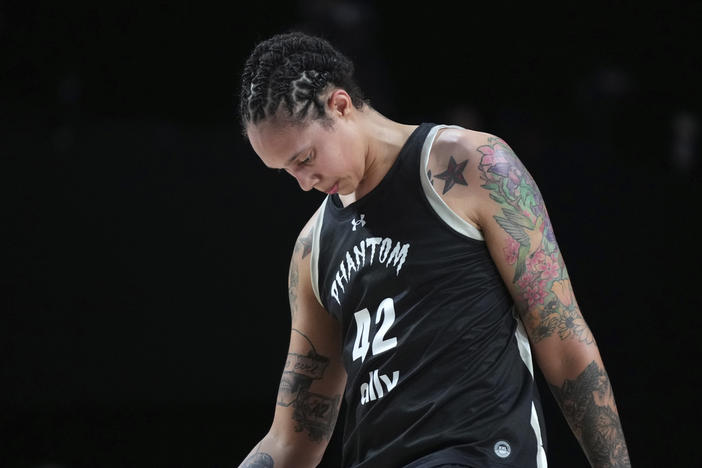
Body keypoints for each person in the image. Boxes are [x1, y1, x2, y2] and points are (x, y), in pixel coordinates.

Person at [236, 31, 630, 468]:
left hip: (479, 454)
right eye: (286, 171)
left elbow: (562, 334)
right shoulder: (314, 248)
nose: (303, 182)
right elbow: (292, 439)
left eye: (305, 158)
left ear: (341, 106)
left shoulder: (469, 164)